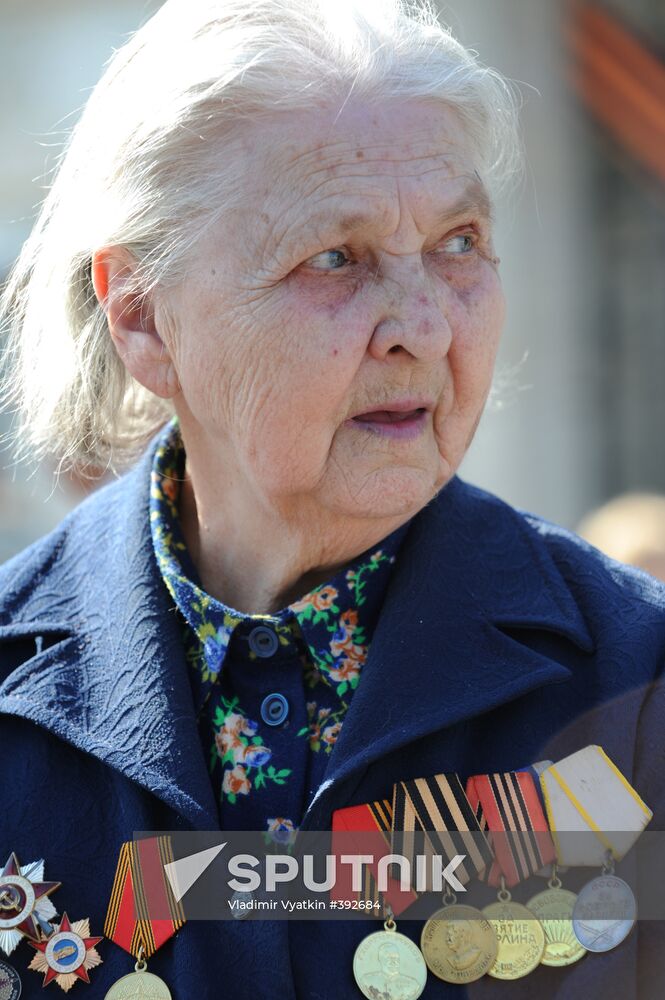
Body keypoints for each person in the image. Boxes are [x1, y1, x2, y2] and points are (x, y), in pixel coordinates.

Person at [0, 1, 663, 997]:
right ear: (142, 319)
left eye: (457, 241)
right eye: (333, 258)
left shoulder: (635, 681)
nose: (422, 325)